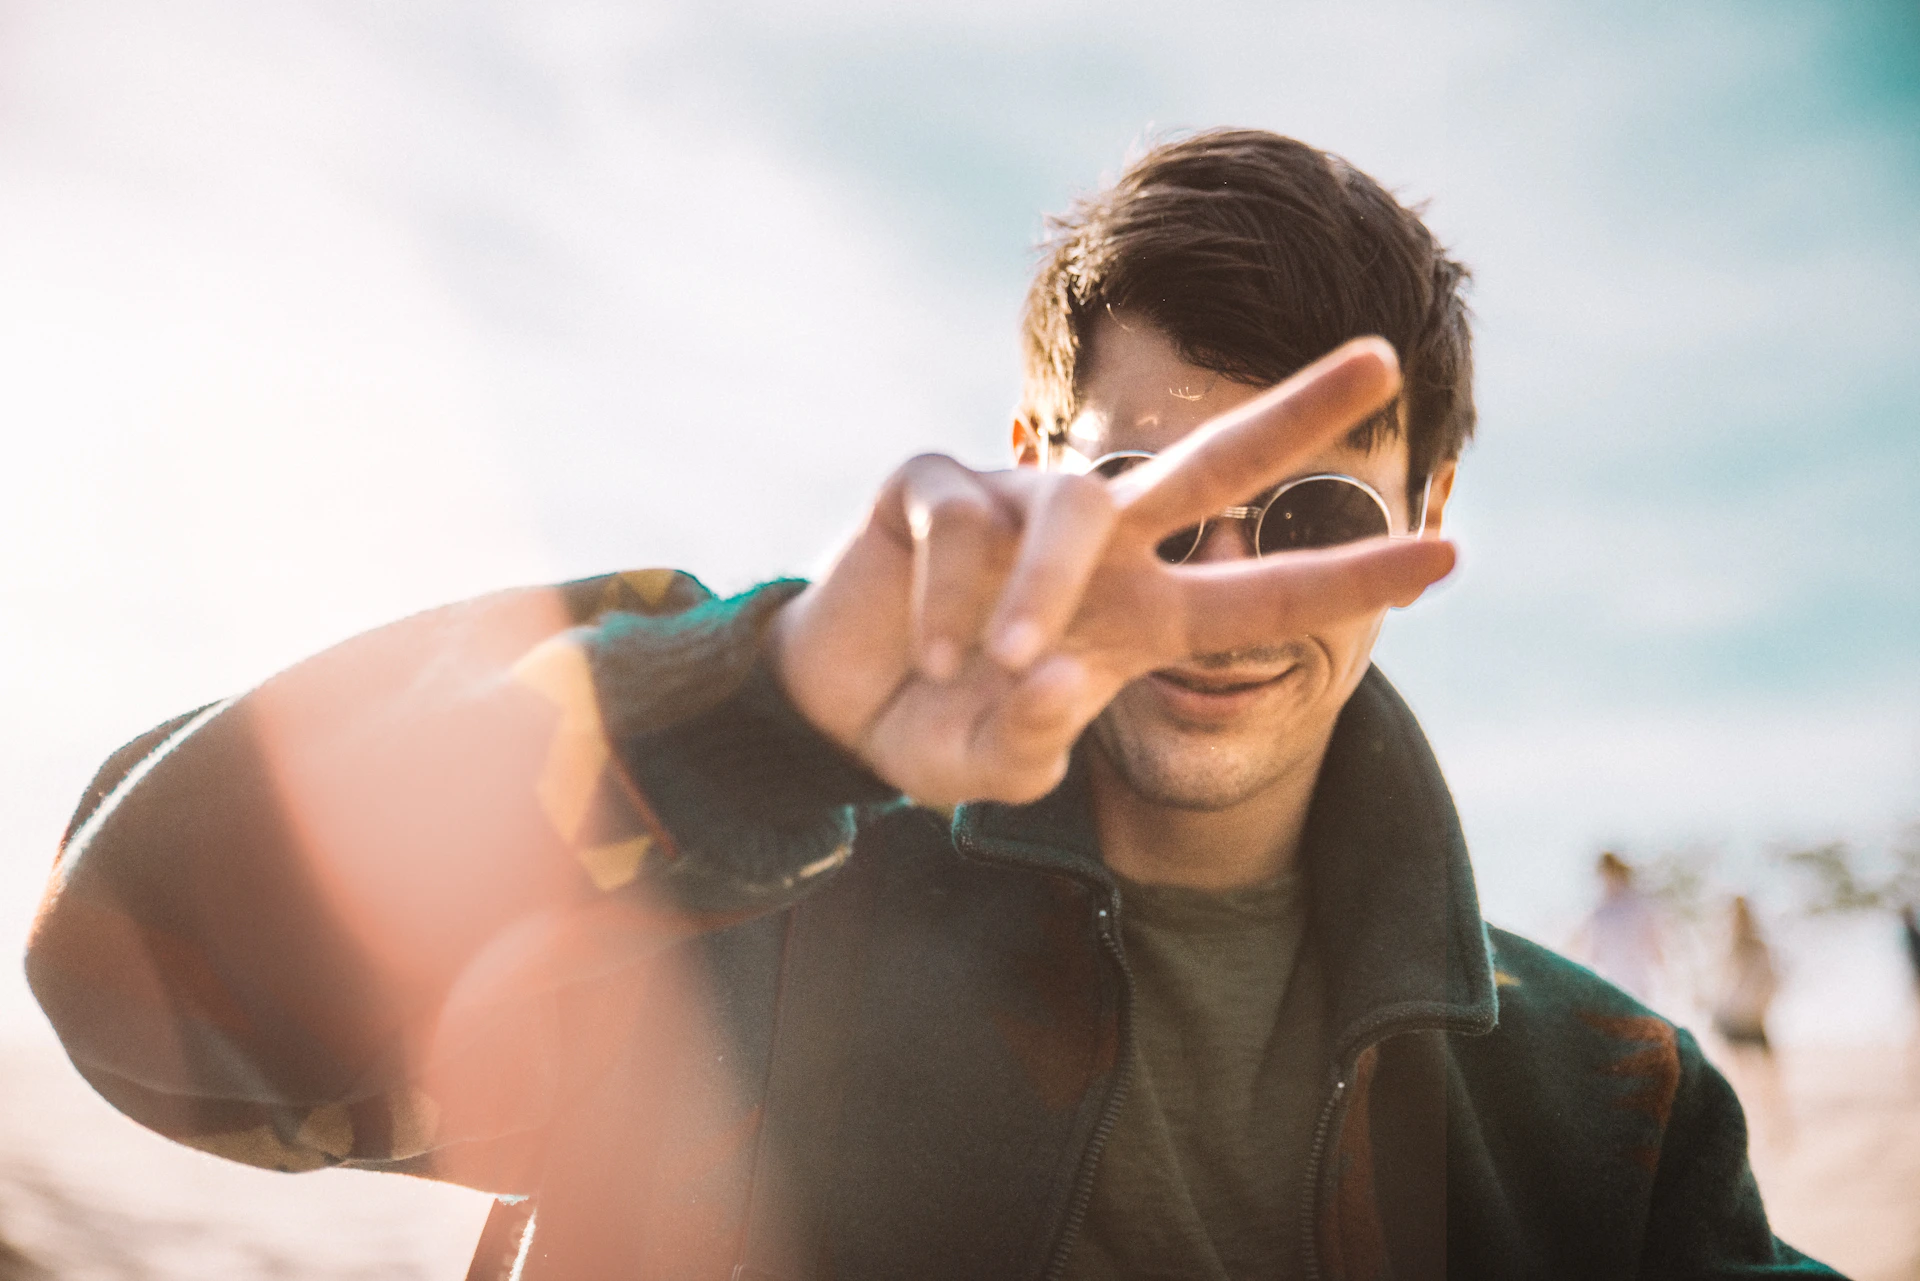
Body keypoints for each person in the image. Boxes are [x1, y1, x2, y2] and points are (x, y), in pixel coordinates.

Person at [24, 131, 1834, 1278]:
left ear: (1430, 516)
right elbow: (150, 980)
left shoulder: (1609, 1105)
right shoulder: (747, 907)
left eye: (1310, 515)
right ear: (1035, 461)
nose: (1209, 592)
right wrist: (766, 711)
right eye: (1147, 499)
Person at [1710, 896, 1789, 1146]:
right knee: (1748, 1082)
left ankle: (1772, 1128)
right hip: (1740, 1021)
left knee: (1761, 1080)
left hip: (1746, 1020)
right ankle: (1760, 1131)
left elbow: (1770, 982)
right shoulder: (1732, 948)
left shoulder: (1748, 948)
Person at [1574, 850, 1666, 1006]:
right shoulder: (1600, 913)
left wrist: (1665, 981)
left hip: (1639, 986)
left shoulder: (1639, 906)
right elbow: (1594, 956)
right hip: (1613, 986)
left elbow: (1656, 948)